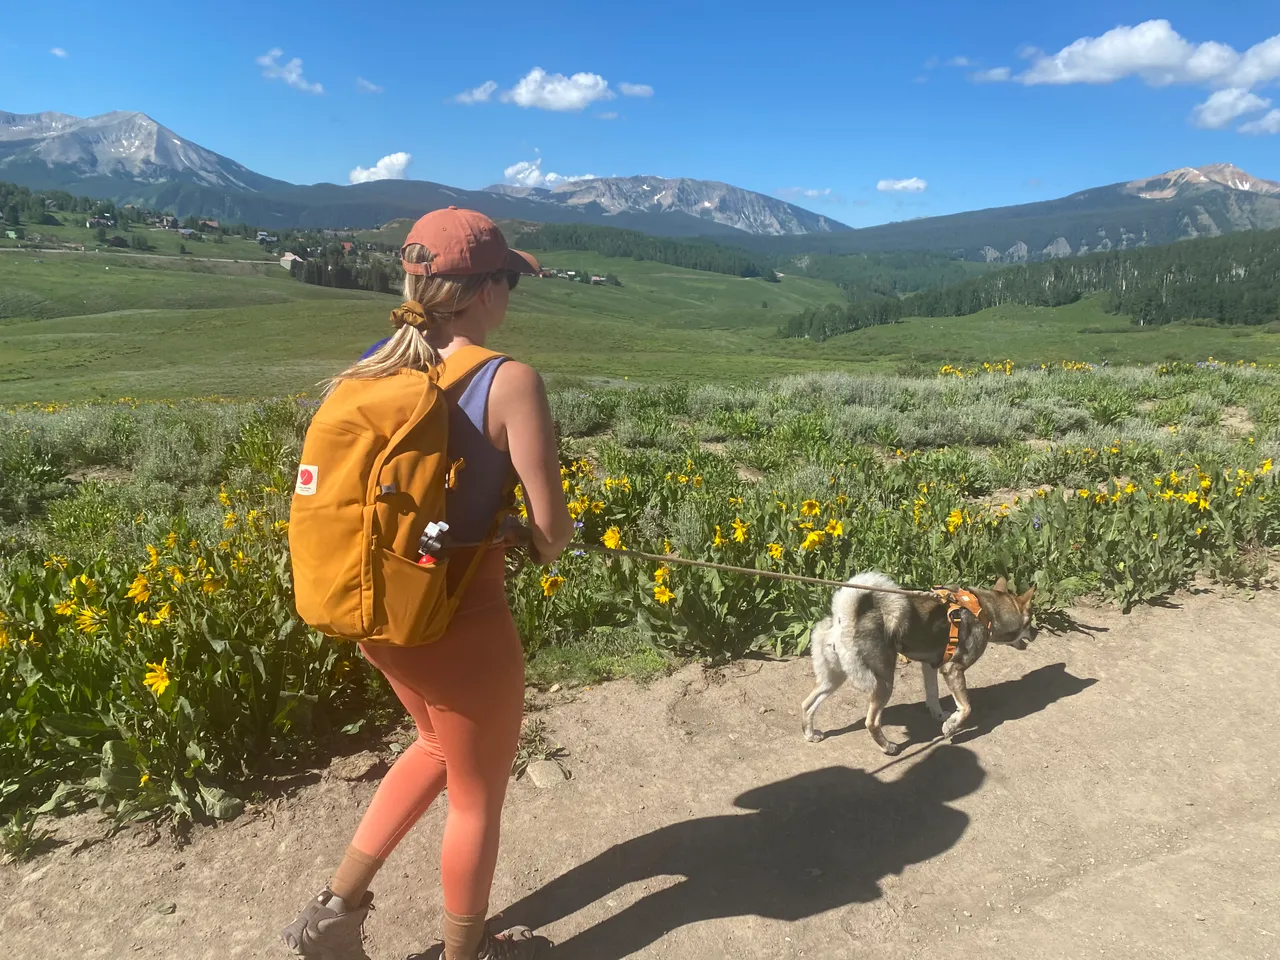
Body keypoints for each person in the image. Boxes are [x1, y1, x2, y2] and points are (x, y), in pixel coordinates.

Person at [281, 208, 574, 960]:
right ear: (480, 291)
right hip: (460, 620)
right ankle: (465, 954)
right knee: (478, 797)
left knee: (436, 747)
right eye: (508, 278)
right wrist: (520, 536)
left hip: (375, 610)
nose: (512, 293)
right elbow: (554, 533)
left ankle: (336, 909)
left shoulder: (376, 362)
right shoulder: (510, 381)